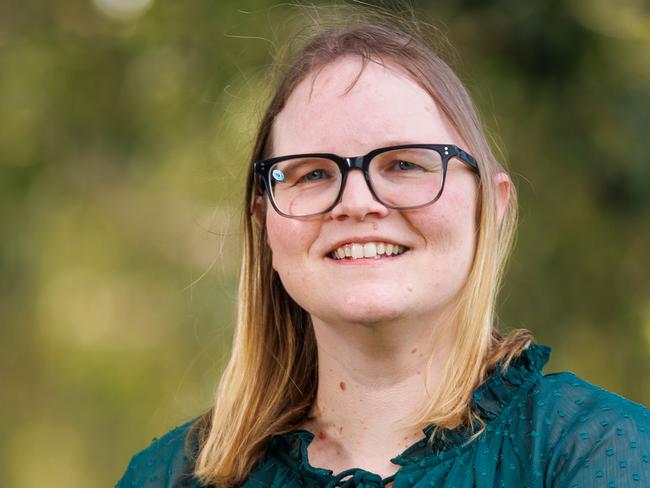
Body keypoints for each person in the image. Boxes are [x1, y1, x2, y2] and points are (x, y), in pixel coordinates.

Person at [116, 11, 650, 488]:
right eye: (313, 173)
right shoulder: (168, 477)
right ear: (264, 223)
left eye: (404, 164)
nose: (356, 201)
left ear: (493, 204)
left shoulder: (599, 451)